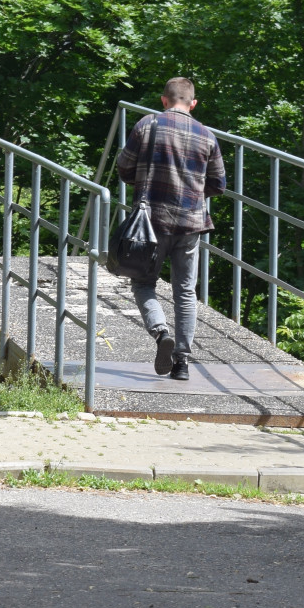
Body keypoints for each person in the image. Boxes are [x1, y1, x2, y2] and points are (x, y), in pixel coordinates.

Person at [114, 77, 225, 381]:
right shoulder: (207, 135)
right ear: (193, 103)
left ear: (164, 100)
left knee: (143, 282)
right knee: (185, 291)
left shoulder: (147, 125)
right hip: (191, 224)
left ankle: (161, 331)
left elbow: (124, 168)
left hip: (150, 223)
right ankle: (183, 363)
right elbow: (218, 184)